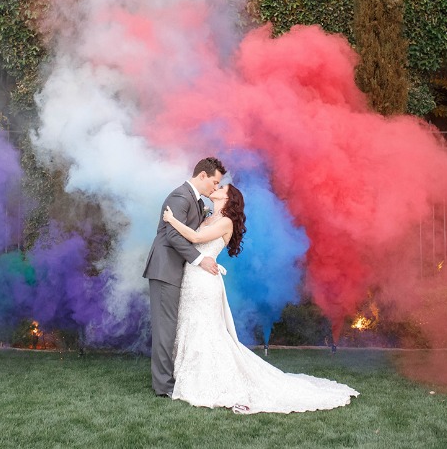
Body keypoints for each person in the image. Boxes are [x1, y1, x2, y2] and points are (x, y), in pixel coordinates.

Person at [162, 182, 358, 414]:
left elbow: (194, 238)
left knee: (205, 327)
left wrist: (171, 220)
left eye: (221, 186)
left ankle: (207, 380)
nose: (216, 187)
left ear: (228, 197)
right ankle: (187, 375)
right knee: (189, 323)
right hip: (191, 277)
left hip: (205, 281)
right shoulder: (208, 216)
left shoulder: (226, 222)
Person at [143, 156, 225, 397]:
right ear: (202, 176)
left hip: (176, 270)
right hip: (165, 269)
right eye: (214, 182)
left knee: (171, 327)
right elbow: (173, 236)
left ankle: (171, 378)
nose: (215, 188)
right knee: (165, 329)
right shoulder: (180, 197)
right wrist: (201, 260)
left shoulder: (194, 200)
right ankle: (164, 387)